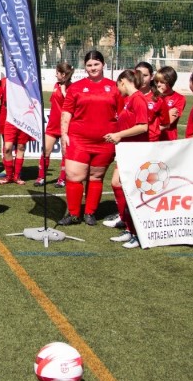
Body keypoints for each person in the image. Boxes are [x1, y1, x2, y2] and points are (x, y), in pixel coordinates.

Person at [58, 50, 121, 226]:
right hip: (79, 140)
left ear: (103, 65)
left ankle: (90, 212)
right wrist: (64, 135)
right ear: (84, 67)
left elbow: (123, 115)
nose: (93, 68)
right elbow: (67, 112)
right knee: (74, 175)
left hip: (105, 142)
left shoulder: (114, 87)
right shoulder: (76, 88)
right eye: (89, 65)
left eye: (96, 64)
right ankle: (73, 214)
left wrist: (119, 137)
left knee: (96, 177)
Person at [103, 69, 155, 247]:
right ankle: (129, 228)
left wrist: (119, 135)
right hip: (127, 150)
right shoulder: (130, 100)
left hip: (136, 152)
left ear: (123, 81)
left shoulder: (138, 99)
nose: (118, 90)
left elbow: (143, 127)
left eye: (118, 85)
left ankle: (137, 233)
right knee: (117, 184)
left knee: (127, 188)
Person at [36, 61, 75, 187]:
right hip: (52, 125)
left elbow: (71, 107)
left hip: (66, 127)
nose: (55, 75)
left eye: (57, 73)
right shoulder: (55, 85)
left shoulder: (73, 88)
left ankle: (62, 179)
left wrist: (64, 92)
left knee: (65, 154)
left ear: (63, 74)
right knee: (45, 151)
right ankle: (41, 177)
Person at [152, 66, 185, 142]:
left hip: (168, 139)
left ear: (170, 81)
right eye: (157, 81)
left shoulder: (179, 98)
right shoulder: (152, 96)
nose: (158, 85)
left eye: (162, 82)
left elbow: (168, 122)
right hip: (152, 138)